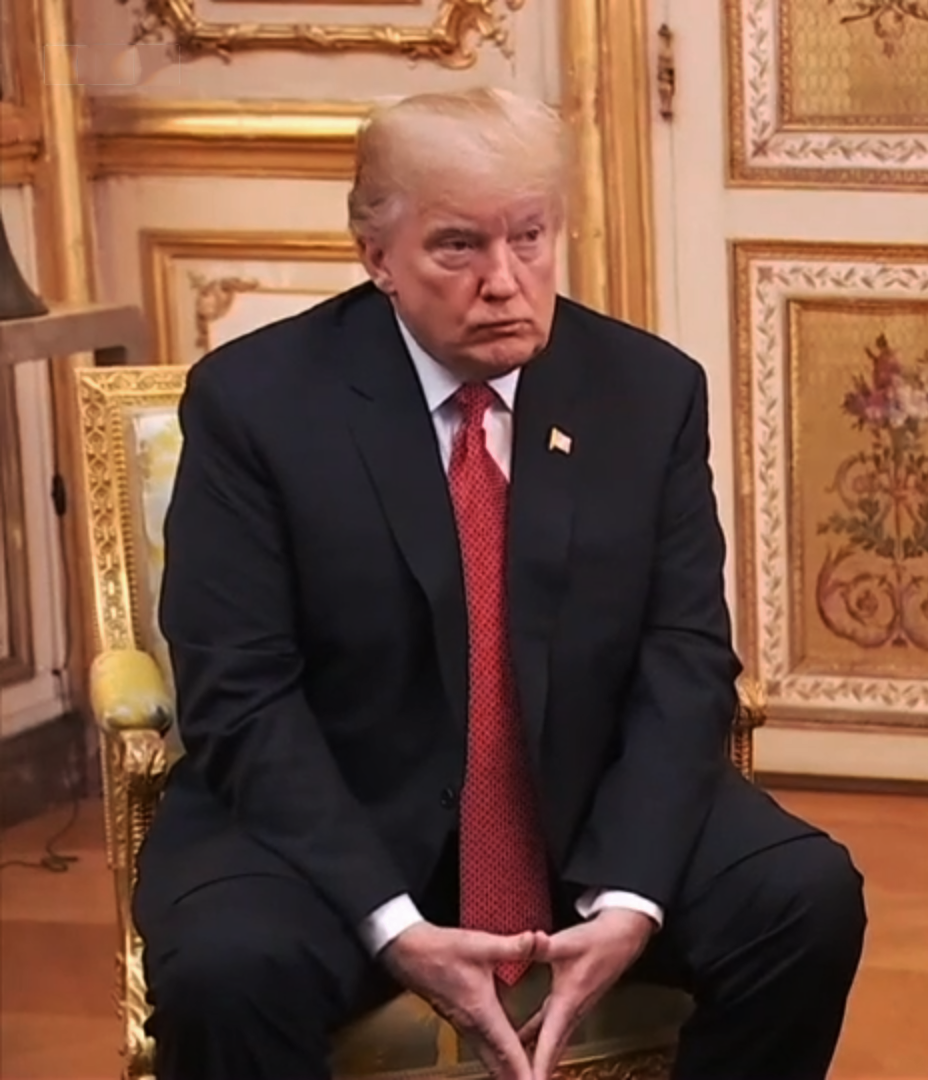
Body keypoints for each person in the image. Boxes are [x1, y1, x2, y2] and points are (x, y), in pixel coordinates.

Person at [134, 86, 866, 1080]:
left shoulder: (647, 392)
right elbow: (239, 693)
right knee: (229, 970)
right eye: (458, 247)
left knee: (804, 896)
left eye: (530, 236)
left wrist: (632, 897)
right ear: (375, 253)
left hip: (583, 806)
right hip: (340, 814)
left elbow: (685, 655)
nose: (506, 282)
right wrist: (392, 923)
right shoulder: (257, 404)